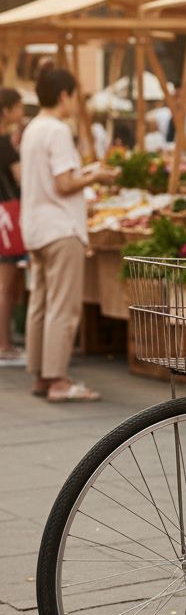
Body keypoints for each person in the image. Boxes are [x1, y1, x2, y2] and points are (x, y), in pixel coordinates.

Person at [20, 67, 118, 402]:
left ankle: (41, 376)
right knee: (63, 306)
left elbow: (56, 178)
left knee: (41, 304)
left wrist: (85, 173)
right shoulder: (58, 130)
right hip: (61, 227)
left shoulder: (32, 128)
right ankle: (59, 380)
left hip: (35, 227)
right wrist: (95, 177)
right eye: (76, 95)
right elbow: (64, 184)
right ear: (65, 95)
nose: (77, 103)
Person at [0, 87, 25, 364]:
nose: (21, 113)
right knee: (6, 285)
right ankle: (4, 344)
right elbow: (21, 178)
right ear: (6, 111)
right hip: (7, 214)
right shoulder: (4, 142)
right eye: (18, 107)